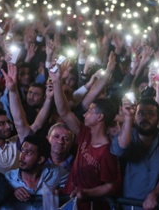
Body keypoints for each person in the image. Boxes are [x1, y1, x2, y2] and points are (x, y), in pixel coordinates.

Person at [50, 63, 121, 210]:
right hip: (70, 201)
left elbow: (110, 186)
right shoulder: (85, 134)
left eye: (90, 111)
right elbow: (64, 112)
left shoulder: (107, 152)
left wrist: (87, 193)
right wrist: (57, 81)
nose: (84, 114)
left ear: (100, 117)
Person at [111, 98, 159, 210]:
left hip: (157, 205)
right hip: (129, 204)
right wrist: (128, 117)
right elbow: (119, 150)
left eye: (151, 114)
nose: (145, 117)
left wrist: (154, 194)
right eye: (141, 113)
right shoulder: (127, 136)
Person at [1, 135, 68, 210]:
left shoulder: (56, 173)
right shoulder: (8, 178)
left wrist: (61, 192)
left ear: (40, 160)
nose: (21, 156)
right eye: (22, 150)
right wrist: (11, 191)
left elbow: (72, 190)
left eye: (28, 153)